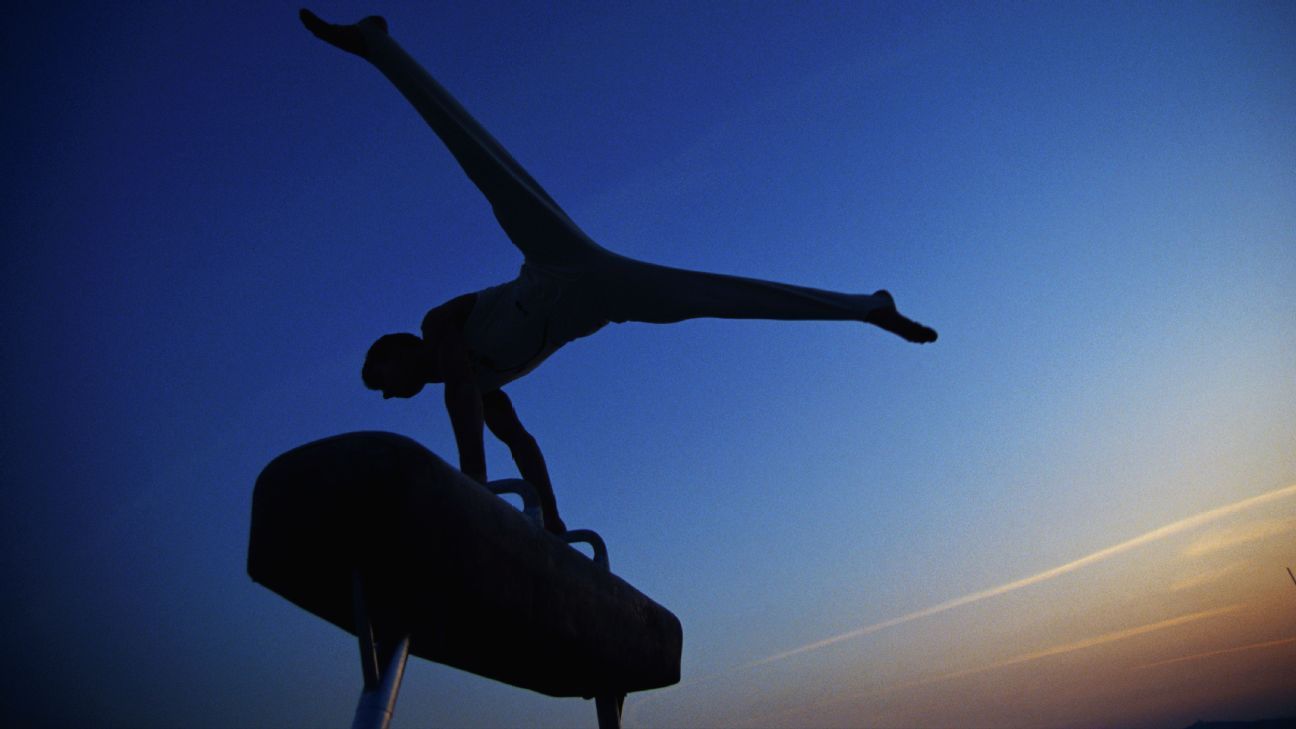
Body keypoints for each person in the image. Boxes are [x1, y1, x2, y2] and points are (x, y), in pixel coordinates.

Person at [300, 10, 937, 535]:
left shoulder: (439, 329)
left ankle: (377, 45)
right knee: (719, 297)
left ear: (399, 348)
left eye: (377, 375)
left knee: (486, 165)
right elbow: (520, 444)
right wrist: (551, 521)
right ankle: (869, 305)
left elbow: (457, 390)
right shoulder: (487, 388)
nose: (383, 393)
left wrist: (470, 484)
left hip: (556, 265)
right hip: (594, 306)